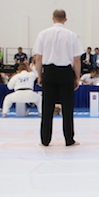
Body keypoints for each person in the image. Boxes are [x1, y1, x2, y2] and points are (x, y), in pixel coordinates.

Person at [33, 9, 83, 147]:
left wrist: (40, 75)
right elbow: (77, 59)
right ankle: (69, 139)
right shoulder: (72, 35)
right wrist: (77, 77)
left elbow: (38, 58)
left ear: (53, 18)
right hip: (66, 73)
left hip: (49, 72)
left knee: (47, 107)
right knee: (67, 108)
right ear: (65, 19)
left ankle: (45, 140)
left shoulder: (43, 34)